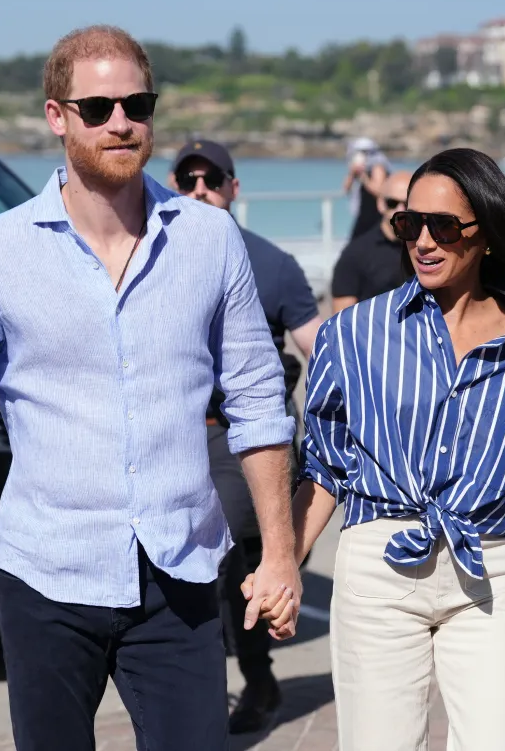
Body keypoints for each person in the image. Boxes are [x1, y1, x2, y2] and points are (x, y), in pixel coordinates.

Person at [0, 25, 302, 751]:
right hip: (46, 575)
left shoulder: (209, 239)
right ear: (57, 117)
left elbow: (257, 402)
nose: (120, 122)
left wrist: (278, 553)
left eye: (137, 104)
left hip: (180, 576)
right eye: (97, 108)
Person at [246, 147, 505, 749]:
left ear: (486, 234)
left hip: (487, 567)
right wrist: (284, 568)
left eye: (444, 227)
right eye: (410, 224)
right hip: (379, 566)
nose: (423, 241)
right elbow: (325, 468)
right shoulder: (356, 334)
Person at [168, 138, 322, 733]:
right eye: (188, 180)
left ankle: (234, 687)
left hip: (240, 437)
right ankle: (249, 681)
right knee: (233, 570)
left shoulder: (273, 263)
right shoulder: (150, 256)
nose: (200, 189)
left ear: (234, 188)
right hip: (174, 435)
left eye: (213, 179)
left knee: (218, 553)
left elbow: (319, 345)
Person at [330, 170, 411, 314]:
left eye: (407, 203)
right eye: (392, 203)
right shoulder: (355, 254)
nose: (400, 210)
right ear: (380, 203)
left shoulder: (428, 249)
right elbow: (341, 323)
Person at [342, 137, 390, 240]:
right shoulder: (360, 168)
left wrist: (364, 177)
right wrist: (352, 173)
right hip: (363, 213)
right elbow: (346, 188)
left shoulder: (378, 166)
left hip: (375, 214)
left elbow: (379, 191)